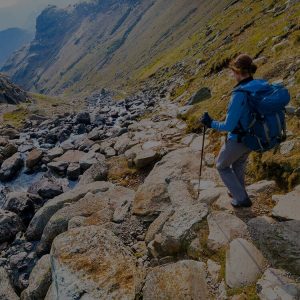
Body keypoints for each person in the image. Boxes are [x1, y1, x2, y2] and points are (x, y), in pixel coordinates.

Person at [200, 54, 258, 208]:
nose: (232, 75)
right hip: (253, 138)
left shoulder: (239, 94)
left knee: (221, 166)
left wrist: (210, 122)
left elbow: (228, 126)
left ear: (238, 72)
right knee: (238, 164)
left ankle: (242, 199)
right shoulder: (256, 86)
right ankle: (237, 192)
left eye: (233, 72)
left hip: (238, 139)